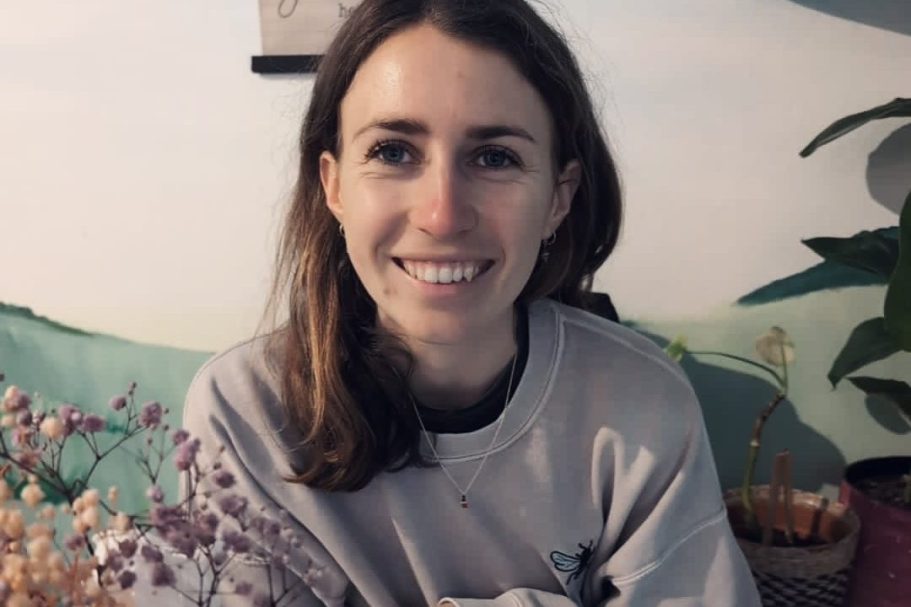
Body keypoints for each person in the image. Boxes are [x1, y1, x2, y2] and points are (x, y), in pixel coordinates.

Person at [182, 0, 761, 605]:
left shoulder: (643, 406)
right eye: (393, 152)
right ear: (334, 186)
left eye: (495, 157)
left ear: (558, 198)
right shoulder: (244, 415)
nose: (443, 215)